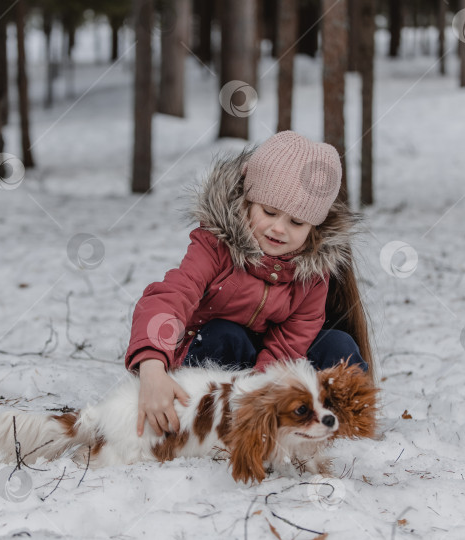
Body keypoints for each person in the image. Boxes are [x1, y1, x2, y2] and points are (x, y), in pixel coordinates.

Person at [124, 131, 374, 438]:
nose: (279, 228)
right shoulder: (215, 247)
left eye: (297, 222)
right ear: (247, 201)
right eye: (269, 212)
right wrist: (151, 365)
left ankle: (341, 431)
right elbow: (172, 296)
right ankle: (207, 422)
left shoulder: (311, 275)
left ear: (314, 227)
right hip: (213, 359)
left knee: (338, 346)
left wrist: (261, 397)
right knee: (227, 335)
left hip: (274, 364)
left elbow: (288, 344)